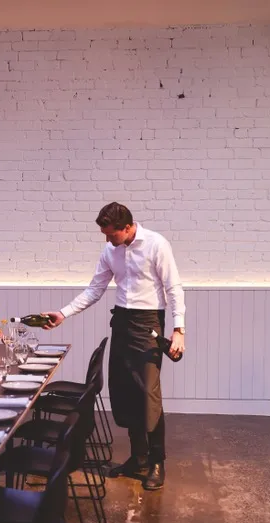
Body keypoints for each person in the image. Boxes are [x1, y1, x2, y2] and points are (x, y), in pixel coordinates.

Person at [42, 202, 185, 490]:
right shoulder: (110, 251)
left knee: (148, 396)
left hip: (148, 325)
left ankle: (157, 462)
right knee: (124, 393)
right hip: (121, 322)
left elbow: (173, 288)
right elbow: (94, 289)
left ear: (128, 227)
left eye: (111, 234)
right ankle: (138, 458)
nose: (108, 240)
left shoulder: (157, 245)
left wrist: (179, 329)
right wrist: (63, 313)